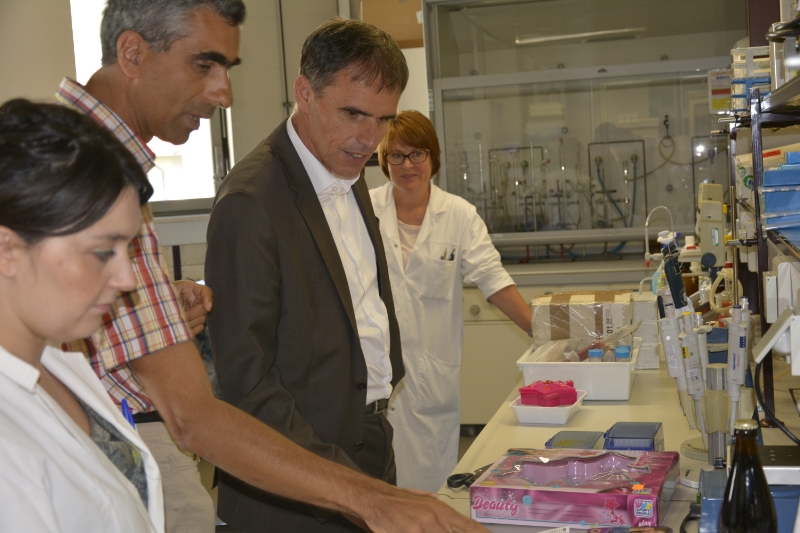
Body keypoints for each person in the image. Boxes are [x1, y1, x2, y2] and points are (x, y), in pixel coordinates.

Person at [57, 2, 487, 532]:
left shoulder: (99, 167)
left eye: (227, 69)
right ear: (132, 53)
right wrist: (371, 500)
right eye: (203, 65)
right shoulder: (68, 168)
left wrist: (156, 302)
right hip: (123, 459)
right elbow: (203, 411)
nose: (224, 94)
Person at [205, 17, 411, 533]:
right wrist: (344, 485)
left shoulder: (346, 167)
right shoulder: (252, 202)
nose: (370, 138)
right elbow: (247, 385)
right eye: (353, 113)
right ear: (304, 93)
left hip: (368, 444)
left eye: (384, 119)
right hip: (291, 488)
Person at [0, 99, 162, 532]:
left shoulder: (54, 364)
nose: (127, 279)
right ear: (7, 249)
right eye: (102, 252)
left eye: (128, 249)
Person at [371, 110, 533, 492]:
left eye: (417, 154)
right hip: (374, 377)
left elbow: (494, 281)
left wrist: (545, 334)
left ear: (433, 157)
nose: (407, 165)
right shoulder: (364, 208)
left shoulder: (459, 215)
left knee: (428, 494)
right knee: (375, 489)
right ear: (383, 159)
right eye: (397, 155)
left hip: (430, 380)